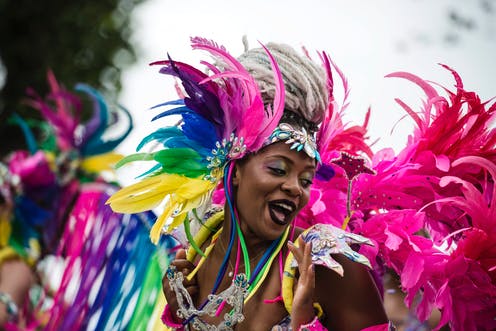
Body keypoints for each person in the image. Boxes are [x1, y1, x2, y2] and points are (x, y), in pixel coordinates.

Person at [108, 37, 392, 330]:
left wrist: (303, 323)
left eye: (306, 179)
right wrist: (181, 316)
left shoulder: (327, 265)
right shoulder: (195, 253)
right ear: (236, 167)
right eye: (278, 169)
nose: (296, 188)